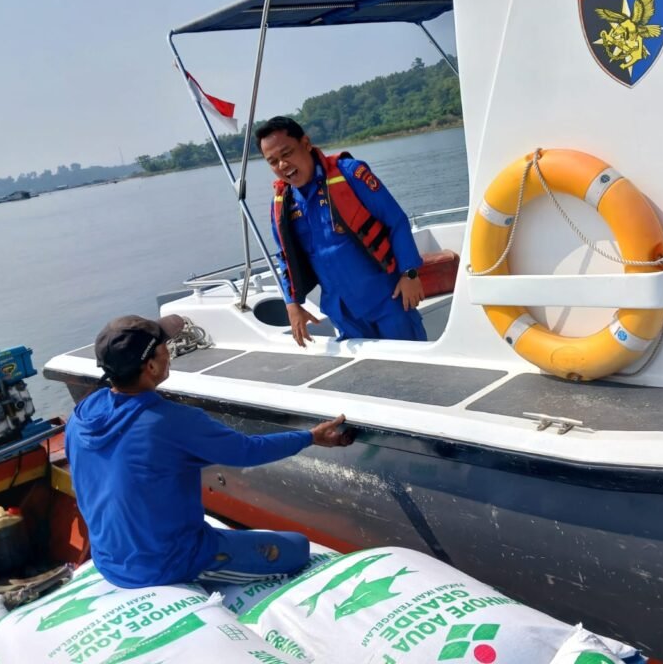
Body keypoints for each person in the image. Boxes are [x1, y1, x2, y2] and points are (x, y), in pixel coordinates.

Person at [65, 313, 354, 588]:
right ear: (150, 367)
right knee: (297, 548)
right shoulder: (173, 421)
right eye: (164, 345)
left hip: (109, 560)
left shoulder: (81, 415)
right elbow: (248, 452)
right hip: (166, 563)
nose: (171, 349)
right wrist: (310, 437)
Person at [257, 116, 427, 347]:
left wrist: (410, 274)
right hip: (343, 315)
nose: (282, 165)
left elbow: (396, 221)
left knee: (415, 371)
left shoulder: (350, 174)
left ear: (306, 144)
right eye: (273, 161)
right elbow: (284, 257)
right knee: (370, 378)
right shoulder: (282, 205)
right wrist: (292, 304)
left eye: (287, 154)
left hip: (389, 301)